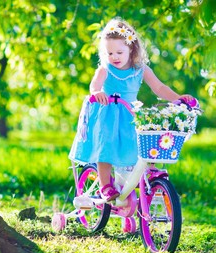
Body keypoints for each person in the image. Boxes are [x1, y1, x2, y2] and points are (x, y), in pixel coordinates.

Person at [69, 17, 194, 201]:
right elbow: (94, 85)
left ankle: (130, 187)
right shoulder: (105, 69)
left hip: (130, 114)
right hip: (108, 114)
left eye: (119, 52)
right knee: (107, 147)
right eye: (109, 53)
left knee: (139, 148)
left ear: (131, 48)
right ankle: (105, 185)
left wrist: (177, 98)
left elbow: (159, 88)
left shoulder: (140, 69)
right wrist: (97, 93)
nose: (114, 57)